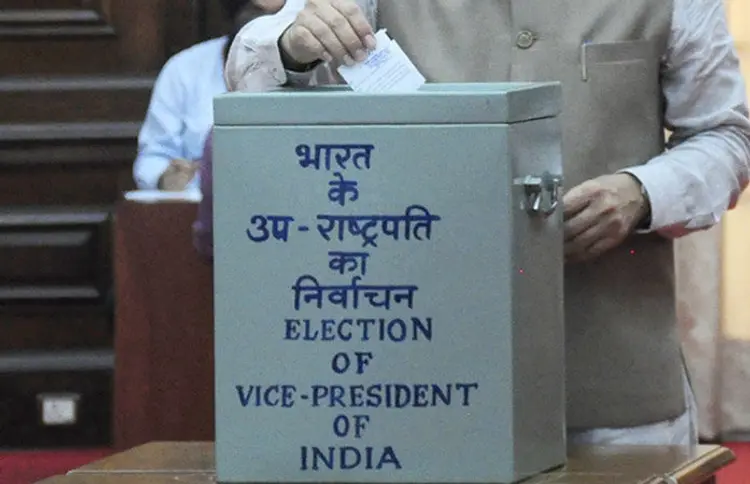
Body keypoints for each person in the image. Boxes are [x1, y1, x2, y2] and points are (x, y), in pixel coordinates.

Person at [207, 0, 750, 445]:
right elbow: (252, 70)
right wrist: (295, 45)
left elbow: (727, 136)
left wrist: (643, 193)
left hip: (614, 378)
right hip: (416, 378)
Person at [133, 0, 284, 191]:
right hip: (196, 204)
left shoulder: (312, 73)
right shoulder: (184, 69)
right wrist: (165, 178)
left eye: (278, 16)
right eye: (256, 14)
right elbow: (152, 158)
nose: (265, 27)